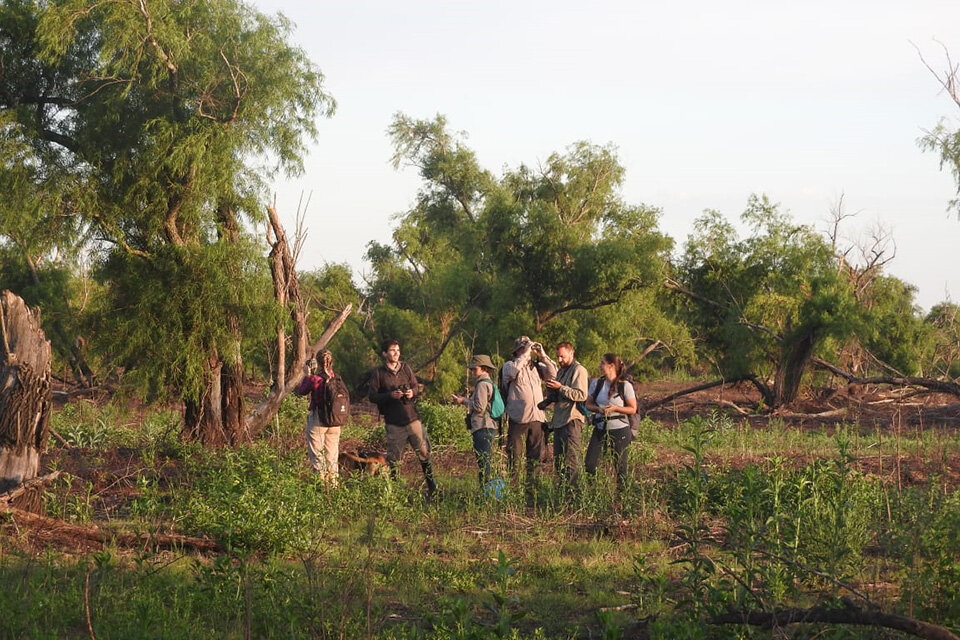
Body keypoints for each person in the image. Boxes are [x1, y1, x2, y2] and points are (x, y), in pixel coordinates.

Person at [367, 339, 438, 496]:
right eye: (392, 350)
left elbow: (415, 386)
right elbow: (372, 396)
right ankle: (396, 492)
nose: (396, 353)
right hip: (394, 422)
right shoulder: (378, 373)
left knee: (424, 453)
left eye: (398, 350)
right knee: (394, 459)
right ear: (385, 353)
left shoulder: (405, 368)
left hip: (412, 418)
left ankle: (433, 488)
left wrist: (412, 392)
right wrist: (389, 395)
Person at [500, 335, 557, 488]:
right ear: (518, 350)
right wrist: (524, 355)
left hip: (537, 417)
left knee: (536, 456)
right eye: (525, 348)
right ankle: (514, 488)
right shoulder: (510, 365)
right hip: (519, 417)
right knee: (515, 457)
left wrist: (543, 356)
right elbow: (510, 374)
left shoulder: (538, 367)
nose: (529, 350)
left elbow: (554, 374)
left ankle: (533, 489)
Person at [584, 353, 638, 491]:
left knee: (620, 466)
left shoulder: (624, 385)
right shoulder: (597, 383)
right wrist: (598, 409)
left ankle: (623, 496)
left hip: (620, 428)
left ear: (611, 366)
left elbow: (632, 409)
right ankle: (592, 493)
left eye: (602, 363)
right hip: (601, 427)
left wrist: (615, 408)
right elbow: (588, 404)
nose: (600, 366)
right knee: (590, 463)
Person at [544, 341, 589, 491]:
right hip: (559, 421)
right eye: (557, 357)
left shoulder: (579, 370)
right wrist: (551, 390)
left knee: (571, 461)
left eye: (562, 356)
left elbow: (581, 395)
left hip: (571, 420)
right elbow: (560, 394)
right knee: (558, 461)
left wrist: (560, 387)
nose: (559, 360)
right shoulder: (561, 371)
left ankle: (573, 495)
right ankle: (563, 493)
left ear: (571, 353)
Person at [294, 349, 342, 485]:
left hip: (318, 420)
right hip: (334, 421)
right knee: (332, 457)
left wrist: (307, 375)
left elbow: (302, 391)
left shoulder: (316, 379)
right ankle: (333, 487)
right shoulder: (336, 378)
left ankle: (320, 488)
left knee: (317, 457)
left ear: (318, 364)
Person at [452, 355, 499, 490]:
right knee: (485, 460)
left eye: (475, 368)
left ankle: (487, 491)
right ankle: (487, 490)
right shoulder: (489, 383)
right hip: (488, 426)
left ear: (484, 368)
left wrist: (464, 401)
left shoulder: (483, 385)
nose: (473, 371)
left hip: (483, 427)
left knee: (484, 461)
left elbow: (479, 407)